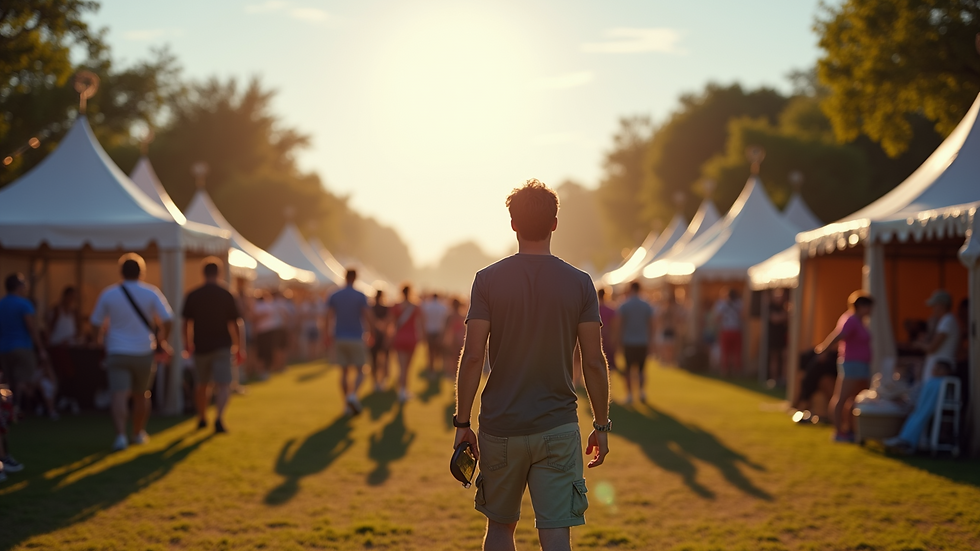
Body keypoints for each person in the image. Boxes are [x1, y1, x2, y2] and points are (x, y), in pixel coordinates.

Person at [454, 179, 610, 551]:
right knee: (556, 534)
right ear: (555, 224)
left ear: (513, 225)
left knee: (500, 528)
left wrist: (462, 423)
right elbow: (592, 359)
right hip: (558, 425)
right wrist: (601, 425)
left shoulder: (487, 280)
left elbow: (473, 355)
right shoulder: (580, 282)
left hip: (500, 426)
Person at [89, 254, 173, 451]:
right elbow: (168, 320)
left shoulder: (109, 293)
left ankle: (120, 436)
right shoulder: (151, 292)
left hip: (117, 350)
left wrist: (98, 340)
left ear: (121, 272)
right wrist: (161, 339)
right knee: (141, 395)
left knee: (119, 394)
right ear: (141, 272)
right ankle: (138, 433)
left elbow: (95, 323)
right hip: (144, 351)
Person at [182, 259, 245, 433]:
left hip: (200, 346)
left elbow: (186, 323)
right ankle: (219, 418)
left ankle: (202, 417)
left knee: (202, 384)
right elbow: (236, 323)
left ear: (204, 273)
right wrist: (240, 347)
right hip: (222, 345)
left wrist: (187, 344)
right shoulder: (227, 294)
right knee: (223, 384)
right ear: (219, 273)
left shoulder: (193, 294)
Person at [0, 273, 47, 470]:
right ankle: (16, 410)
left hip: (4, 349)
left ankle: (10, 412)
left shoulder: (2, 304)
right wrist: (40, 347)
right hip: (22, 347)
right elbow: (31, 327)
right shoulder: (24, 304)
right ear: (19, 286)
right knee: (22, 381)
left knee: (9, 383)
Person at [815, 291, 873, 443]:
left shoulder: (860, 321)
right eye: (869, 307)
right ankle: (839, 431)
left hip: (861, 365)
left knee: (855, 399)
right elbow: (838, 335)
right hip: (851, 364)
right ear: (861, 306)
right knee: (841, 398)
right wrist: (824, 349)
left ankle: (851, 429)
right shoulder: (851, 320)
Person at [325, 269, 373, 415]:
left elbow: (327, 317)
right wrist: (372, 332)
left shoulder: (335, 294)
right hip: (356, 337)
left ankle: (346, 404)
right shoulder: (360, 295)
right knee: (361, 370)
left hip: (339, 337)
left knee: (344, 372)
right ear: (355, 278)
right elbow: (367, 316)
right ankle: (352, 396)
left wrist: (326, 334)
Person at [884, 360, 956, 454]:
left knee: (919, 417)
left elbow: (931, 402)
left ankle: (907, 441)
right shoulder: (930, 381)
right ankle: (904, 439)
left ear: (947, 371)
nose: (935, 370)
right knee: (914, 416)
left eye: (939, 368)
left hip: (929, 409)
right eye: (935, 367)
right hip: (920, 408)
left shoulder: (942, 382)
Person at [617, 281, 655, 404]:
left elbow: (620, 324)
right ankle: (642, 392)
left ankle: (629, 395)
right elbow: (651, 325)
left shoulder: (625, 305)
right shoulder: (646, 305)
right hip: (642, 341)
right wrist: (651, 340)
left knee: (628, 369)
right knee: (641, 370)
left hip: (628, 341)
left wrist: (618, 340)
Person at [916, 290, 959, 384]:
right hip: (937, 370)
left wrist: (919, 344)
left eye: (934, 306)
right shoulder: (945, 320)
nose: (933, 309)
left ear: (941, 305)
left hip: (940, 371)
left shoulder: (947, 321)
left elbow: (932, 347)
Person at [390, 285, 421, 403]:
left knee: (401, 366)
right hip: (412, 337)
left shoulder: (396, 306)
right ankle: (404, 389)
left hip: (399, 337)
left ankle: (402, 390)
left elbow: (391, 323)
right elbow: (421, 323)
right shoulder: (415, 306)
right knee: (407, 366)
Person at [251, 291, 282, 381]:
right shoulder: (261, 305)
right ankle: (262, 371)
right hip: (262, 332)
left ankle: (265, 370)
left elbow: (258, 316)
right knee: (262, 352)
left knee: (266, 352)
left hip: (266, 332)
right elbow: (255, 317)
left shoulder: (265, 305)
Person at [713, 288, 743, 376]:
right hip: (736, 330)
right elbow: (743, 316)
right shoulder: (739, 304)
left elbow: (717, 318)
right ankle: (735, 371)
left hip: (726, 330)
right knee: (736, 352)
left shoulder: (721, 304)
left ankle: (725, 371)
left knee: (726, 352)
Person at [421, 293, 449, 378]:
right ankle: (438, 369)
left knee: (430, 352)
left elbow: (423, 320)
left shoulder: (427, 307)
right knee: (438, 352)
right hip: (439, 331)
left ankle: (431, 369)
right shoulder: (443, 307)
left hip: (429, 331)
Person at [370, 289, 392, 392]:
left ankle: (375, 381)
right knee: (385, 359)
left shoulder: (371, 308)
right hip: (382, 336)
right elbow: (389, 322)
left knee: (374, 360)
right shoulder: (386, 308)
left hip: (374, 335)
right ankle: (382, 380)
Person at [767, 289, 789, 385]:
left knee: (785, 357)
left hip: (784, 337)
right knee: (774, 357)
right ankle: (774, 379)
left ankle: (783, 379)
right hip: (774, 336)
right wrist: (784, 316)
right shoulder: (771, 307)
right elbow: (775, 319)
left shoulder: (784, 307)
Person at [443, 298, 466, 379]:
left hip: (451, 340)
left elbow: (446, 329)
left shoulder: (450, 316)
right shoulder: (463, 316)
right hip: (460, 340)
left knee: (451, 357)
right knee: (458, 358)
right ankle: (457, 374)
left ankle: (452, 373)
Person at [597, 288, 618, 372]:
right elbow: (614, 326)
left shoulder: (595, 309)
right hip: (607, 336)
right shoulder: (611, 310)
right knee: (609, 362)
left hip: (597, 336)